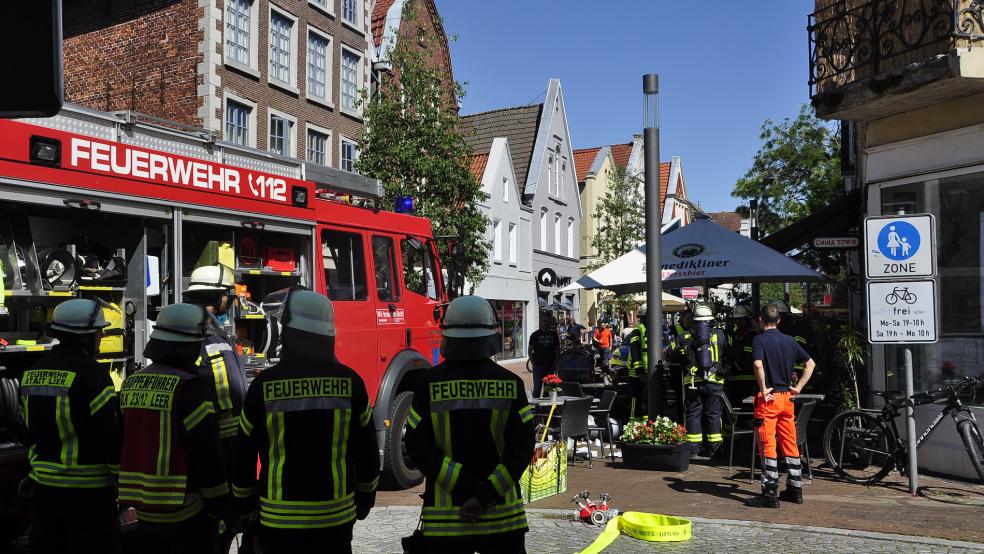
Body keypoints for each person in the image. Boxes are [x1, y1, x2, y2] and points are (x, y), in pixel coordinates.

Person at [233, 288, 379, 554]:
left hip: (278, 521)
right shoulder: (351, 383)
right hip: (336, 519)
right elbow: (368, 451)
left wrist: (245, 506)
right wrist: (365, 498)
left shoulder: (264, 386)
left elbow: (242, 456)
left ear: (288, 332)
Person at [405, 295, 535, 553]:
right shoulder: (511, 385)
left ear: (447, 335)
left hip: (446, 524)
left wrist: (465, 488)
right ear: (490, 334)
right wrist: (483, 495)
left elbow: (417, 446)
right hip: (502, 520)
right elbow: (522, 448)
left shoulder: (428, 385)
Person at [118, 303, 230, 554]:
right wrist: (220, 505)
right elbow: (207, 454)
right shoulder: (190, 388)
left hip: (143, 514)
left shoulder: (131, 383)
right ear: (190, 345)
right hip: (184, 513)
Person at [20, 299, 122, 554]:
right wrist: (122, 477)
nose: (101, 337)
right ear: (85, 336)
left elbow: (24, 430)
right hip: (89, 494)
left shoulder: (32, 371)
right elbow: (109, 434)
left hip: (44, 490)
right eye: (99, 331)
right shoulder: (93, 375)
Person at [745, 303, 816, 509]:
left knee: (767, 444)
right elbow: (810, 364)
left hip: (769, 399)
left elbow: (758, 364)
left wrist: (763, 387)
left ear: (760, 320)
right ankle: (795, 489)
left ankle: (770, 493)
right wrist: (798, 388)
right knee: (790, 443)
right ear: (779, 320)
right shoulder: (790, 341)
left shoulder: (759, 340)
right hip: (787, 398)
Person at [182, 265, 247, 458]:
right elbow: (230, 394)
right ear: (218, 297)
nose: (229, 299)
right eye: (227, 295)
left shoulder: (184, 326)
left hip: (199, 437)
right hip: (221, 442)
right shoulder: (213, 339)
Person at [682, 304, 728, 458]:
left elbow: (673, 354)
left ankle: (693, 449)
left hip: (693, 382)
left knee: (694, 414)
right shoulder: (720, 335)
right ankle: (714, 448)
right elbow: (729, 353)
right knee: (714, 415)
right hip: (715, 382)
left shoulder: (686, 336)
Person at [726, 304, 760, 407]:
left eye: (741, 319)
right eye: (736, 320)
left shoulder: (751, 336)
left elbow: (747, 360)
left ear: (747, 319)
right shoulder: (737, 335)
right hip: (735, 382)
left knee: (747, 414)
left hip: (748, 382)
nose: (738, 322)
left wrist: (735, 364)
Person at [625, 304, 650, 420]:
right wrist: (640, 373)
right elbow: (635, 353)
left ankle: (645, 427)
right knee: (636, 399)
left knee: (646, 400)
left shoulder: (652, 330)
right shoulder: (638, 330)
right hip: (637, 374)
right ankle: (632, 427)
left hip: (647, 373)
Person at [528, 313, 560, 398]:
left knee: (548, 390)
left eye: (547, 321)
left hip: (550, 366)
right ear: (540, 322)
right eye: (543, 321)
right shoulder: (535, 335)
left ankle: (546, 409)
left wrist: (556, 362)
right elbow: (530, 350)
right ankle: (536, 408)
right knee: (537, 389)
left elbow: (557, 349)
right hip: (538, 366)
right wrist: (533, 364)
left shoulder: (554, 334)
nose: (545, 323)